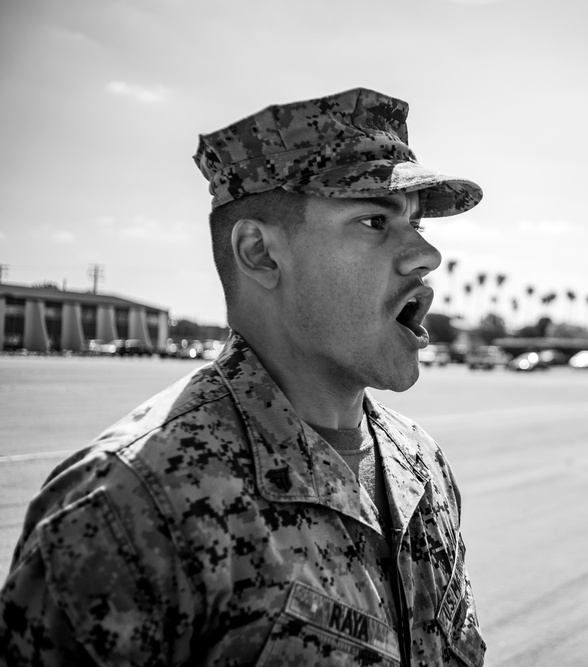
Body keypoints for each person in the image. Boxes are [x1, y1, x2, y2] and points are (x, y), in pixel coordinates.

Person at [0, 88, 487, 666]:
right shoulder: (130, 504)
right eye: (375, 220)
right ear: (259, 253)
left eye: (417, 223)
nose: (425, 255)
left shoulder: (419, 466)